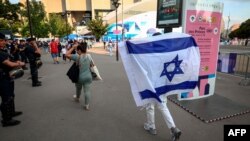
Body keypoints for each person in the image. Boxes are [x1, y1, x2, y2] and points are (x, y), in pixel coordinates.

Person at [143, 32, 181, 141]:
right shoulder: (167, 54)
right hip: (162, 85)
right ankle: (173, 128)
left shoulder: (148, 55)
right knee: (163, 107)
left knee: (150, 107)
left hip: (150, 85)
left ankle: (152, 127)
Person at [0, 33, 25, 127]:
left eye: (4, 40)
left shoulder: (3, 50)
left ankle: (11, 112)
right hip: (2, 79)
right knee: (6, 98)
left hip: (7, 76)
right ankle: (6, 120)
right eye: (1, 40)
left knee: (11, 95)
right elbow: (9, 64)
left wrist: (16, 62)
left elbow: (10, 60)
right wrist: (19, 64)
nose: (4, 42)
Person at [66, 42, 94, 111]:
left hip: (80, 77)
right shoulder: (89, 56)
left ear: (79, 50)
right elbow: (92, 65)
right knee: (87, 91)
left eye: (77, 50)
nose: (76, 51)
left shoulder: (77, 56)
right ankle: (87, 105)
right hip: (88, 76)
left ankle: (77, 98)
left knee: (78, 88)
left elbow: (67, 55)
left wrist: (73, 47)